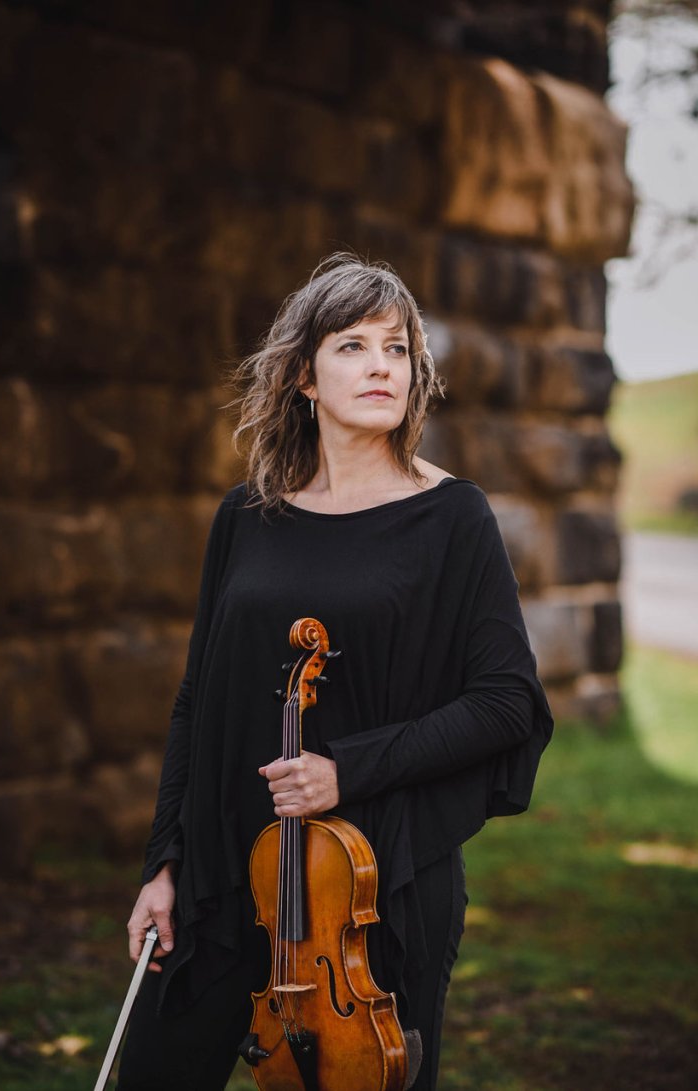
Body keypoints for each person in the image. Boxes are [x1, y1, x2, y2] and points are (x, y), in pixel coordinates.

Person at [116, 253, 553, 1091]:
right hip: (226, 871)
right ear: (305, 377)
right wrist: (164, 863)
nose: (381, 365)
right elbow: (197, 701)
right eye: (353, 345)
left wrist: (344, 770)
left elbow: (507, 702)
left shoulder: (452, 517)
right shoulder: (246, 516)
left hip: (370, 882)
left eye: (397, 348)